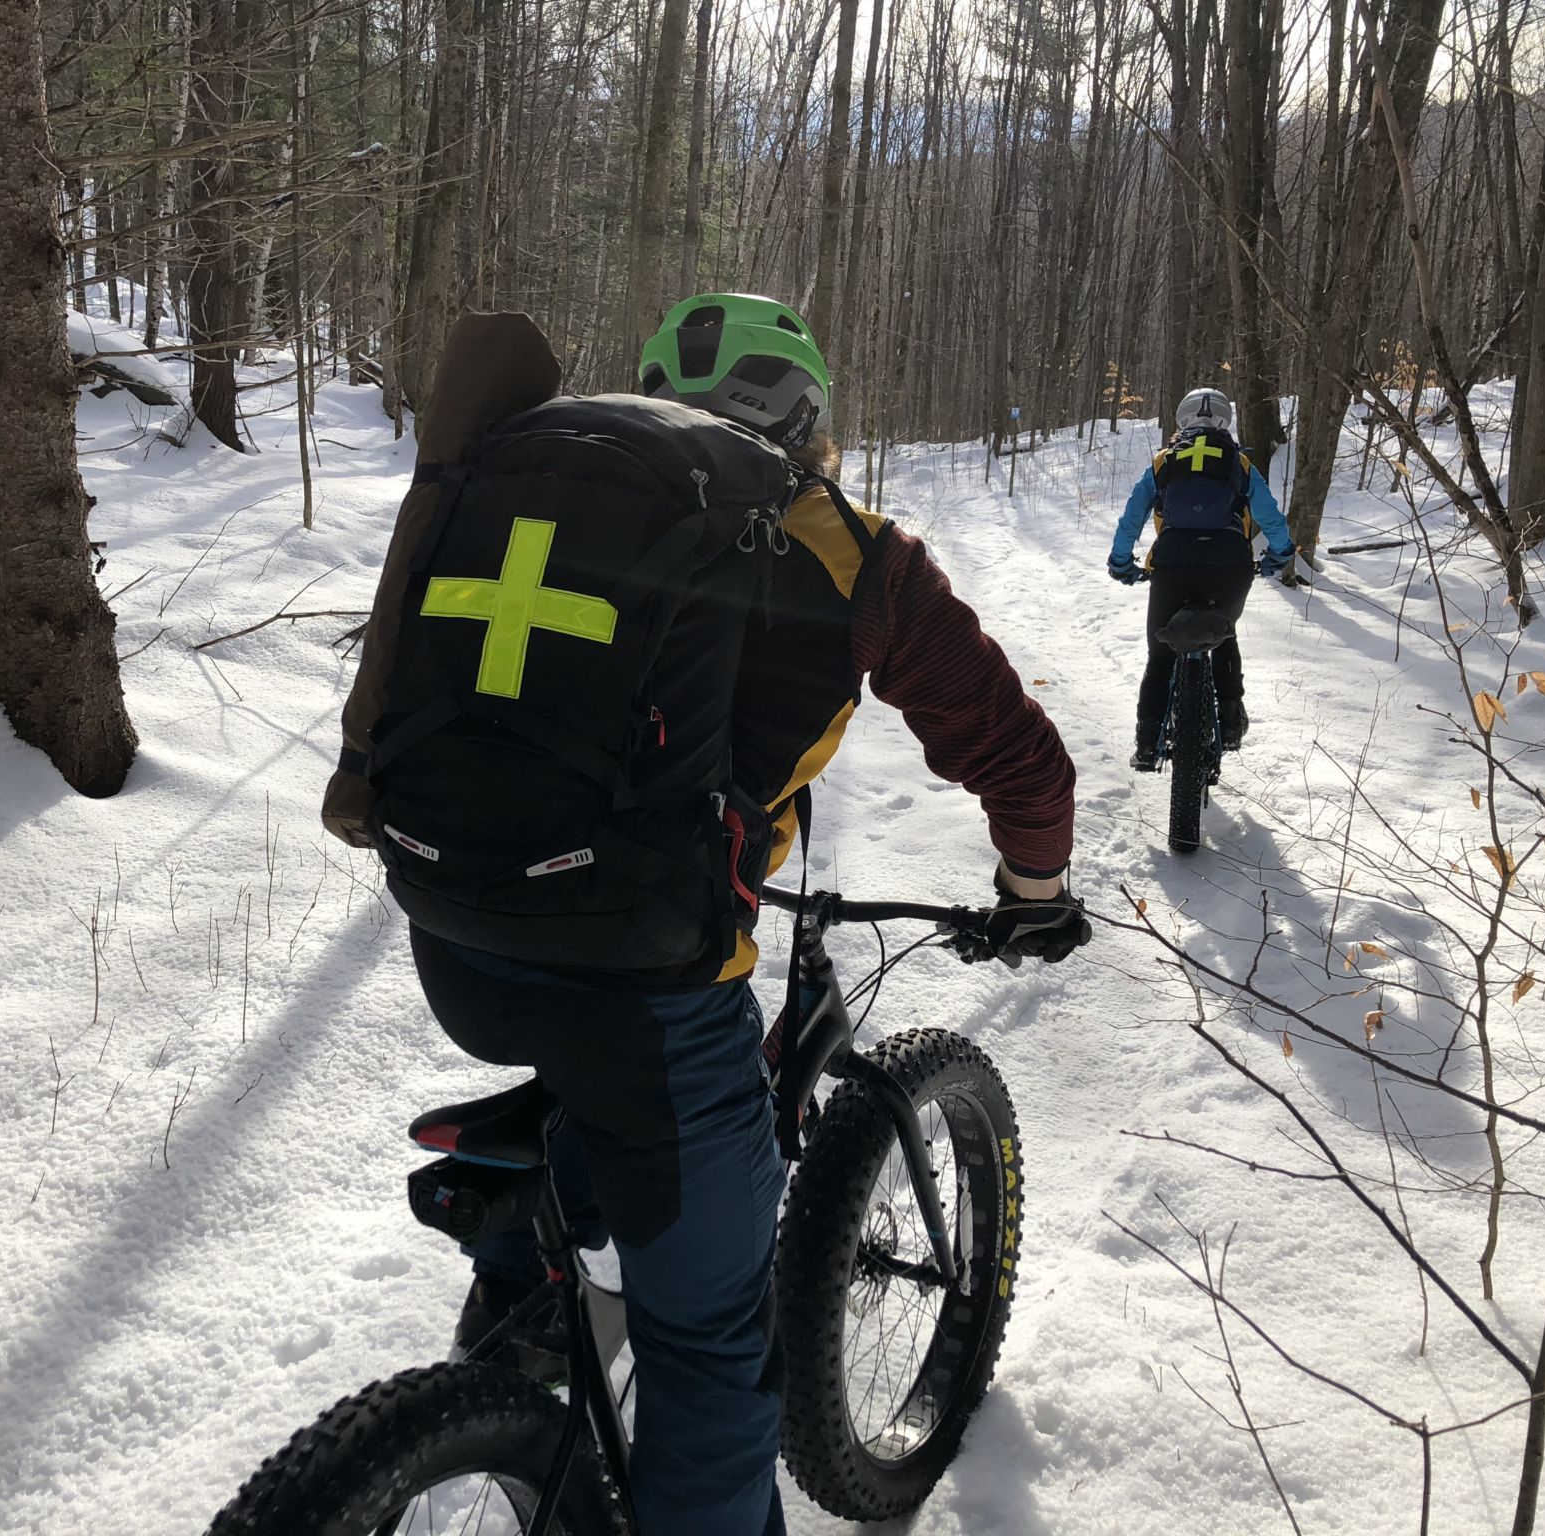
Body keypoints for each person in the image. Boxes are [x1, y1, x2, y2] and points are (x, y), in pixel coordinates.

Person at [321, 295, 1087, 1536]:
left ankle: (514, 1340)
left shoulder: (537, 475)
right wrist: (1032, 894)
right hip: (646, 989)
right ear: (809, 420)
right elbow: (1018, 758)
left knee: (586, 1106)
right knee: (713, 1343)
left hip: (451, 928)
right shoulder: (847, 548)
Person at [1107, 386, 1295, 771]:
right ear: (1225, 421)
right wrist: (1279, 554)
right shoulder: (1239, 463)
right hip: (1230, 566)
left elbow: (1133, 515)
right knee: (1224, 636)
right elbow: (1271, 516)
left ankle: (1146, 743)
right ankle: (1228, 724)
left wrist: (1121, 561)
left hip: (1173, 565)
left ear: (1181, 420)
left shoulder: (1164, 460)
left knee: (1161, 654)